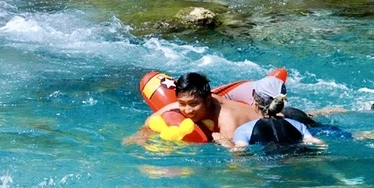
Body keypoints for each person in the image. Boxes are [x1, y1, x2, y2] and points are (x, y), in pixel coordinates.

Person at [126, 72, 260, 146]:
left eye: (194, 104)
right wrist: (142, 135)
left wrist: (223, 142)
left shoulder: (227, 121)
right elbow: (150, 120)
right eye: (182, 104)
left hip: (265, 126)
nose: (187, 110)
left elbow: (240, 157)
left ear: (207, 100)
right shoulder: (185, 103)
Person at [232, 79, 326, 150]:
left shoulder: (244, 130)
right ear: (281, 103)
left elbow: (240, 152)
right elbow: (318, 143)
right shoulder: (298, 125)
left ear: (255, 103)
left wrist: (223, 142)